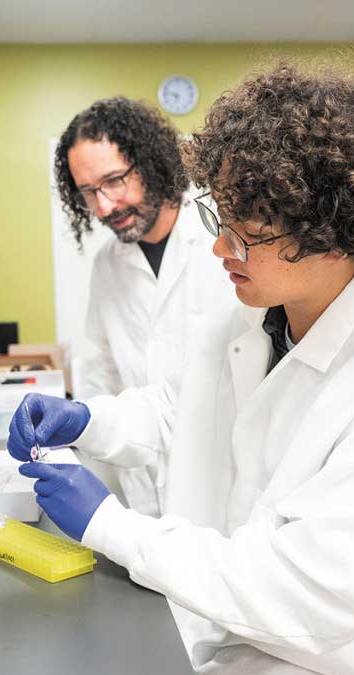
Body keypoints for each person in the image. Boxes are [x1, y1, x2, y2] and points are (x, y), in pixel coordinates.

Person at [10, 61, 354, 675]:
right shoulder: (254, 322)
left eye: (244, 233)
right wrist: (88, 419)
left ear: (332, 232)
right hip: (237, 633)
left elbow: (310, 592)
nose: (219, 249)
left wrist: (112, 526)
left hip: (346, 663)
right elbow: (181, 407)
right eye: (220, 219)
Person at [53, 96, 230, 517]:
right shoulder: (108, 264)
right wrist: (83, 426)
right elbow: (103, 368)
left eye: (114, 181)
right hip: (141, 485)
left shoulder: (220, 239)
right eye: (88, 193)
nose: (105, 206)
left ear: (151, 162)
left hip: (219, 480)